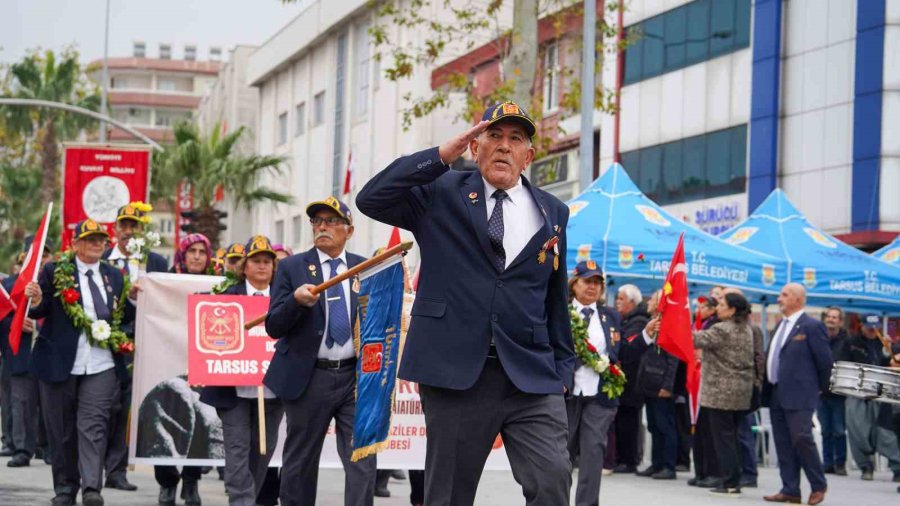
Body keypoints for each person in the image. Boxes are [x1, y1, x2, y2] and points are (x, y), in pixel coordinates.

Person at [357, 101, 574, 506]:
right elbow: (371, 199)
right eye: (494, 135)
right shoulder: (441, 191)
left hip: (530, 372)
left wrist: (564, 369)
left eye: (515, 139)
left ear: (528, 155)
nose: (504, 146)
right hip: (455, 372)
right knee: (450, 495)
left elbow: (554, 295)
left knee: (553, 481)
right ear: (475, 146)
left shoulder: (554, 211)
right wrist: (441, 156)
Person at [264, 197, 376, 506]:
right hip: (309, 376)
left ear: (349, 231)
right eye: (317, 221)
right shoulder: (292, 267)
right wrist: (295, 303)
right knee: (301, 460)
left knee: (362, 458)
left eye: (331, 221)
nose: (322, 227)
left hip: (354, 378)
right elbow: (274, 325)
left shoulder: (364, 267)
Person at [24, 219, 135, 506]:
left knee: (94, 426)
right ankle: (65, 488)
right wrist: (36, 300)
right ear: (75, 244)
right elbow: (39, 310)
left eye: (101, 239)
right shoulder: (55, 271)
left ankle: (91, 488)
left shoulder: (115, 276)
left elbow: (124, 316)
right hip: (59, 363)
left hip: (101, 364)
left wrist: (137, 300)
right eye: (90, 239)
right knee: (61, 431)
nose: (97, 244)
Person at [200, 235, 285, 506]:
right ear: (244, 266)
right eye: (256, 260)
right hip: (232, 390)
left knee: (263, 450)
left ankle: (248, 498)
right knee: (237, 448)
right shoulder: (226, 298)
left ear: (274, 267)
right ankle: (241, 501)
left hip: (273, 390)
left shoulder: (285, 300)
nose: (261, 266)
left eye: (267, 261)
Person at [101, 204, 168, 491]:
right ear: (115, 229)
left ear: (142, 230)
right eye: (124, 225)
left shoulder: (156, 262)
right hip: (106, 342)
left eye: (134, 226)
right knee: (104, 406)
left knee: (127, 409)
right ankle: (93, 465)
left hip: (145, 343)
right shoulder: (102, 259)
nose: (128, 231)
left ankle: (116, 471)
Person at [155, 233, 214, 506]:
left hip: (202, 361)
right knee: (167, 419)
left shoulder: (218, 284)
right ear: (182, 254)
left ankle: (191, 481)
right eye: (192, 251)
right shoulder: (163, 282)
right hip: (168, 359)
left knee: (199, 421)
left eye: (202, 252)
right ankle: (167, 483)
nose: (197, 257)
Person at [763, 283, 831, 505]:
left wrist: (821, 390)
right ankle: (790, 489)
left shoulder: (811, 326)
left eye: (784, 295)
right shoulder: (780, 325)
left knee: (801, 438)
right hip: (776, 391)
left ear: (798, 299)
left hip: (801, 393)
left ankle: (818, 484)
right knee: (783, 442)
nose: (779, 298)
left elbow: (824, 362)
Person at [566, 261, 621, 506]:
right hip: (565, 396)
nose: (593, 287)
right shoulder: (561, 312)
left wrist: (647, 335)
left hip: (599, 397)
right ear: (574, 284)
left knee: (593, 454)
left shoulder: (611, 316)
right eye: (587, 281)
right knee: (560, 458)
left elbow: (621, 353)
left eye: (598, 282)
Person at [691, 292, 755, 497]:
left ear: (732, 310)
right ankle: (733, 478)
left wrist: (678, 322)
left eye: (721, 305)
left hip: (720, 393)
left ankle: (729, 481)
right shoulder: (747, 329)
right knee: (733, 437)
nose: (717, 308)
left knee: (723, 439)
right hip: (740, 392)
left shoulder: (722, 329)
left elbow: (694, 339)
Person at [1, 238, 53, 468]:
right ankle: (22, 449)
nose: (41, 260)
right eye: (36, 255)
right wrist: (15, 323)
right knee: (21, 402)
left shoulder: (56, 284)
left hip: (50, 354)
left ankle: (48, 448)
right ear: (24, 257)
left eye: (45, 255)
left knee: (50, 404)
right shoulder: (9, 285)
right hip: (20, 354)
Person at [843, 314, 900, 482]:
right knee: (858, 431)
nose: (872, 330)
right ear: (861, 326)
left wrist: (888, 352)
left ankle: (897, 467)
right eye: (869, 327)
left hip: (883, 394)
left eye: (875, 327)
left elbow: (893, 364)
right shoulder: (851, 343)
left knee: (886, 432)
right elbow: (843, 364)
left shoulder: (886, 343)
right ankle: (865, 466)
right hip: (858, 393)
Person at [636, 291, 680, 481]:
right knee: (654, 425)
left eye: (653, 299)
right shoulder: (653, 322)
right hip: (650, 383)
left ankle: (669, 466)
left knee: (665, 426)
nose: (649, 302)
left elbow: (673, 359)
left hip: (662, 384)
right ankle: (657, 463)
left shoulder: (669, 325)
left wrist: (668, 386)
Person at [612, 284, 650, 474]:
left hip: (633, 380)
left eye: (621, 299)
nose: (617, 302)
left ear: (633, 302)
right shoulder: (626, 320)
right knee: (622, 421)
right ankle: (622, 458)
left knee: (630, 423)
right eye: (617, 298)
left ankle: (630, 460)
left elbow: (628, 347)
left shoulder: (639, 321)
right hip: (625, 380)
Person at [817, 306, 849, 476]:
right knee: (825, 430)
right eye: (828, 316)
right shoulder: (818, 338)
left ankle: (840, 463)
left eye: (834, 317)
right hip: (820, 392)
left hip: (839, 394)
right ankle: (828, 463)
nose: (830, 319)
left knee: (839, 430)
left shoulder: (846, 342)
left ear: (840, 322)